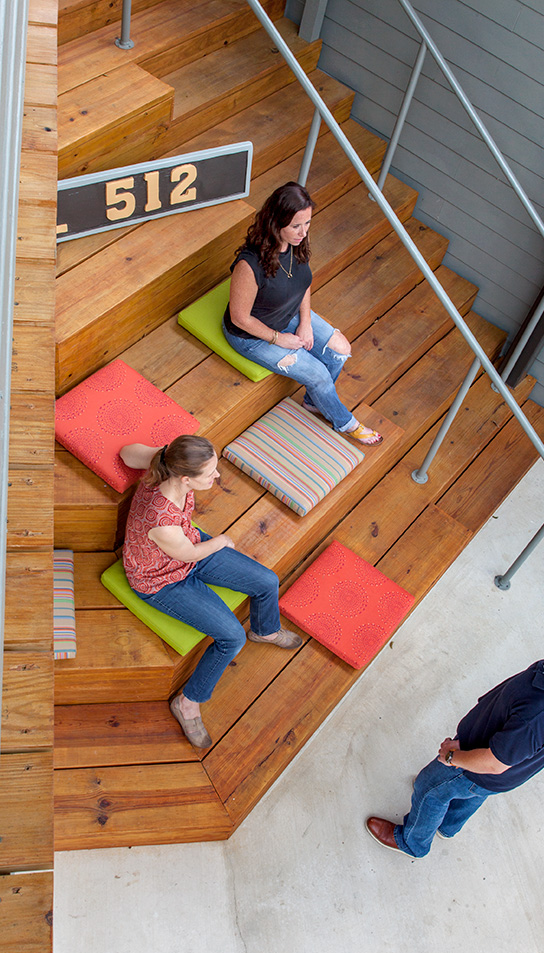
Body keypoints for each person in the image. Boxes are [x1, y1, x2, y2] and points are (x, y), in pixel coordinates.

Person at [366, 599, 544, 857]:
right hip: (501, 776)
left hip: (478, 764)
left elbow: (493, 764)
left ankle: (412, 842)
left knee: (429, 787)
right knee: (472, 794)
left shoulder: (537, 718)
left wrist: (450, 757)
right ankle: (448, 826)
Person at [120, 435, 301, 749]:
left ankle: (266, 630)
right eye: (211, 473)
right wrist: (223, 540)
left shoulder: (165, 464)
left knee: (267, 581)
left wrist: (160, 451)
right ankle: (188, 703)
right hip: (161, 578)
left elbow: (126, 452)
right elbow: (189, 554)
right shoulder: (161, 521)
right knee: (232, 637)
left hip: (187, 543)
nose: (217, 476)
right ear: (186, 478)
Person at [223, 180, 382, 445]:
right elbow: (240, 318)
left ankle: (313, 401)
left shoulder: (297, 243)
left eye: (307, 223)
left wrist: (305, 322)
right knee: (319, 374)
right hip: (250, 336)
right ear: (276, 222)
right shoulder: (249, 265)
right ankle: (344, 422)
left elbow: (302, 284)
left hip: (287, 316)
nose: (303, 232)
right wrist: (278, 338)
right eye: (296, 225)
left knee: (340, 350)